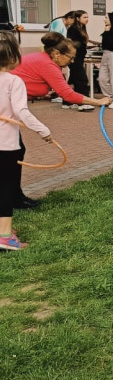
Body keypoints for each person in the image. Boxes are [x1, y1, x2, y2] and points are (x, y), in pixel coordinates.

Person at [0, 31, 53, 250]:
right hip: (5, 145)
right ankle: (5, 237)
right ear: (14, 56)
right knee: (5, 188)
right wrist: (43, 130)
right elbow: (22, 111)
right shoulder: (14, 81)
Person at [12, 32, 112, 111]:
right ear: (56, 54)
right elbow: (68, 95)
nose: (72, 61)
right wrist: (98, 101)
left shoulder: (44, 59)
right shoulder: (48, 65)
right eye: (70, 57)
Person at [65, 10, 95, 109]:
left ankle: (67, 102)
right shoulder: (72, 29)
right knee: (82, 79)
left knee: (73, 79)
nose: (87, 19)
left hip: (81, 57)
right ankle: (83, 102)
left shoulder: (83, 28)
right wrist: (72, 56)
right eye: (84, 17)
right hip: (74, 57)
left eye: (87, 17)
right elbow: (70, 43)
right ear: (78, 18)